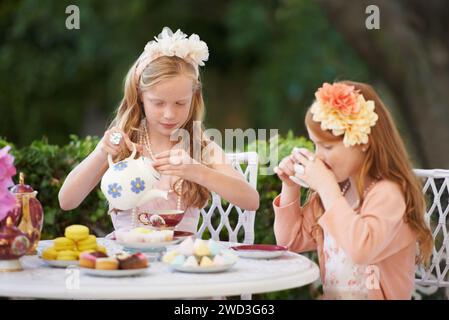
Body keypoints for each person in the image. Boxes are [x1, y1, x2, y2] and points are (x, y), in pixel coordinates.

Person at [59, 27, 259, 235]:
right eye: (158, 103)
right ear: (140, 96)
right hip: (128, 260)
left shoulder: (200, 147)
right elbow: (67, 201)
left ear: (194, 98)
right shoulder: (125, 143)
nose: (169, 114)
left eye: (180, 103)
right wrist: (101, 152)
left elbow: (251, 201)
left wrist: (196, 170)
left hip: (181, 262)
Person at [273, 81, 433, 299]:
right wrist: (290, 185)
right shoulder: (341, 190)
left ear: (363, 141)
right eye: (315, 144)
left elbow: (361, 250)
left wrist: (326, 187)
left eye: (327, 146)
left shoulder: (388, 194)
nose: (318, 155)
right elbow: (289, 242)